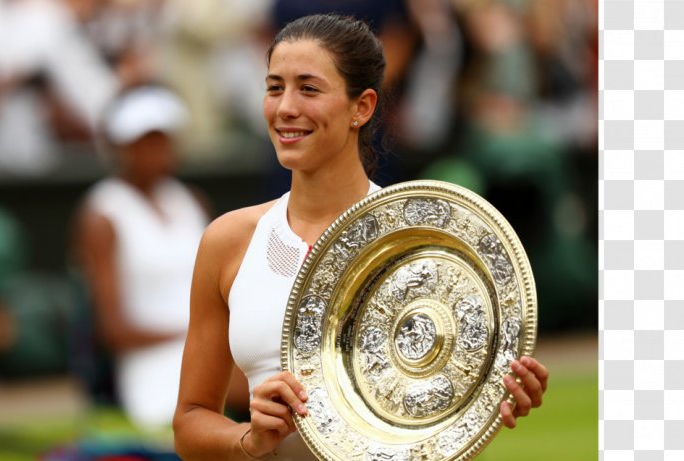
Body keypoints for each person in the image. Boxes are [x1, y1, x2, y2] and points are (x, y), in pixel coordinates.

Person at [173, 13, 548, 461]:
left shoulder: (421, 240)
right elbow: (190, 421)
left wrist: (484, 402)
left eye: (308, 88)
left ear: (362, 107)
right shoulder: (228, 240)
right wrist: (248, 440)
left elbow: (439, 432)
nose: (286, 107)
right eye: (274, 87)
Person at [74, 85, 210, 429]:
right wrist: (194, 337)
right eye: (144, 141)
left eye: (162, 139)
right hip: (150, 367)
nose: (156, 151)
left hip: (206, 349)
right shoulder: (102, 215)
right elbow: (114, 331)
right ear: (120, 147)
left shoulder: (191, 201)